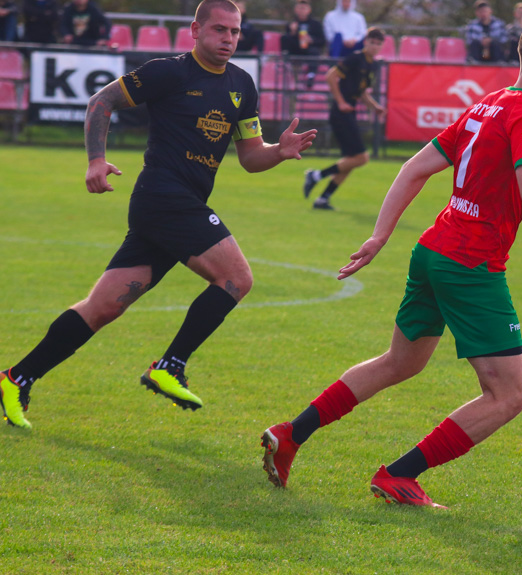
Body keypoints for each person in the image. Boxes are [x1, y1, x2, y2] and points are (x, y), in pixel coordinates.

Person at [261, 17, 522, 507]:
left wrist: (381, 235)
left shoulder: (488, 104)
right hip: (470, 264)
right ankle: (400, 475)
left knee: (400, 362)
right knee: (508, 397)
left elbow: (413, 167)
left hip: (433, 251)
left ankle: (290, 434)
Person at [0, 0, 317, 430]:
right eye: (219, 30)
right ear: (195, 30)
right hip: (163, 197)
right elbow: (102, 100)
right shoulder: (169, 72)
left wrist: (278, 152)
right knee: (237, 279)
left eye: (235, 31)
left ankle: (15, 378)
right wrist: (96, 159)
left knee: (104, 306)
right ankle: (170, 364)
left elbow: (249, 158)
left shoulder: (242, 85)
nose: (228, 39)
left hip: (175, 207)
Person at [302, 27, 385, 211]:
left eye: (378, 44)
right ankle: (316, 175)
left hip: (349, 111)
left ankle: (323, 199)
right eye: (372, 42)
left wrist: (375, 107)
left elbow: (362, 91)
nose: (375, 46)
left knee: (350, 160)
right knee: (361, 158)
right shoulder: (355, 58)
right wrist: (340, 102)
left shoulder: (372, 64)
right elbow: (330, 76)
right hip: (341, 112)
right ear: (366, 41)